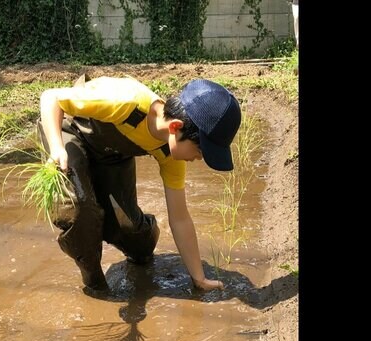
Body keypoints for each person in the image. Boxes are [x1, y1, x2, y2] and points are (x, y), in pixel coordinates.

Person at [38, 75, 241, 293]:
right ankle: (95, 284)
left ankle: (139, 240)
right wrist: (57, 147)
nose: (200, 158)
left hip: (111, 156)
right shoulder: (126, 102)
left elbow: (180, 218)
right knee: (81, 211)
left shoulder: (170, 155)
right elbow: (52, 98)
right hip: (68, 133)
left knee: (133, 236)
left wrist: (199, 278)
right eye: (200, 150)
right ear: (175, 127)